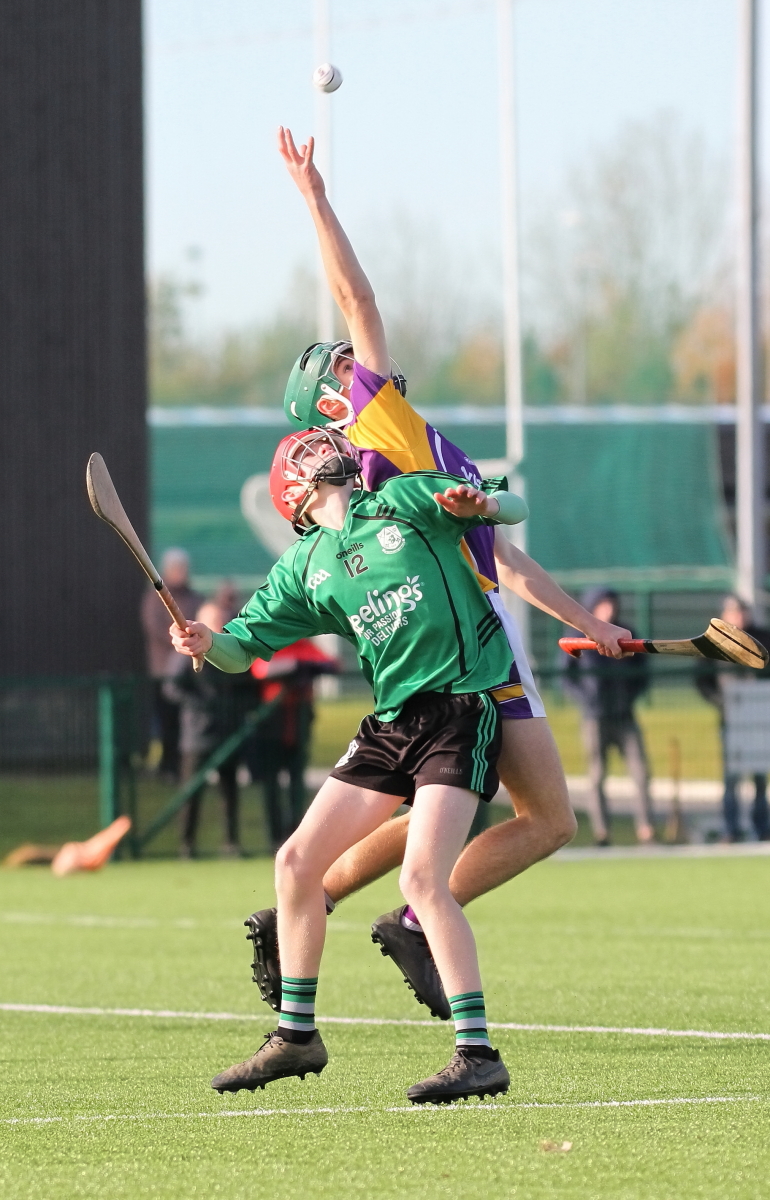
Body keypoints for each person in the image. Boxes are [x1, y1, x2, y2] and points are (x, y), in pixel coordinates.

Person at [243, 126, 633, 1024]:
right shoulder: (376, 427)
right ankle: (414, 920)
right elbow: (358, 294)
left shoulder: (403, 446)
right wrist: (313, 197)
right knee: (542, 820)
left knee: (467, 808)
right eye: (343, 366)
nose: (360, 359)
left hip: (477, 629)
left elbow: (507, 558)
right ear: (333, 405)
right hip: (472, 648)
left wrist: (590, 619)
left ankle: (315, 905)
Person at [171, 428, 530, 1102]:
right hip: (391, 723)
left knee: (424, 880)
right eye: (302, 451)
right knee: (295, 863)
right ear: (292, 492)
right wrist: (204, 639)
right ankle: (296, 1037)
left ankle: (478, 1053)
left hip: (459, 712)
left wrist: (477, 505)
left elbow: (510, 510)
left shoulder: (402, 501)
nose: (321, 448)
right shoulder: (303, 566)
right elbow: (239, 648)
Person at [169, 582, 260, 858]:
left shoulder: (229, 653)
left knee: (229, 790)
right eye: (214, 621)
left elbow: (249, 684)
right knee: (191, 792)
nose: (219, 625)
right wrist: (200, 704)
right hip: (197, 733)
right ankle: (187, 845)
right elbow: (171, 687)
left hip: (228, 732)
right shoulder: (186, 652)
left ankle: (230, 843)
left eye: (221, 621)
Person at [562, 588, 654, 846]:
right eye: (603, 604)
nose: (610, 609)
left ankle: (646, 829)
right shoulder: (578, 635)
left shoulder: (626, 633)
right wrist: (586, 699)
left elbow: (642, 671)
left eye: (612, 604)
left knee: (641, 773)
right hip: (595, 717)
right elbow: (566, 675)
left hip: (625, 715)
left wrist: (629, 697)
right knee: (596, 776)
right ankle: (603, 832)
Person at [696, 594, 770, 842]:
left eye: (742, 611)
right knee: (731, 777)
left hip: (759, 718)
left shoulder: (764, 638)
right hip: (731, 719)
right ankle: (730, 829)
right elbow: (702, 679)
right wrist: (722, 702)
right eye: (733, 612)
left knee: (760, 774)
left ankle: (763, 827)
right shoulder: (714, 642)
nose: (739, 616)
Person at [249, 639, 339, 848]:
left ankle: (295, 835)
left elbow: (332, 664)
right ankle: (274, 837)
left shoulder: (303, 643)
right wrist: (297, 666)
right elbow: (260, 669)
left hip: (299, 722)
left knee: (296, 782)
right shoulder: (268, 643)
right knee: (271, 783)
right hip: (272, 723)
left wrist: (304, 666)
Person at [140, 548, 202, 779]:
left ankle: (182, 767)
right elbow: (154, 629)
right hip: (163, 673)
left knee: (185, 724)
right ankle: (166, 766)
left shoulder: (195, 598)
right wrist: (180, 641)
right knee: (166, 722)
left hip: (189, 672)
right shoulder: (154, 599)